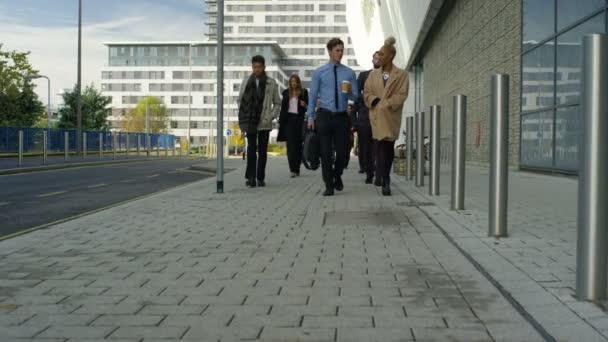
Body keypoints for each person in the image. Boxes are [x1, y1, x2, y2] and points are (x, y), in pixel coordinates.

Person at [308, 38, 358, 196]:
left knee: (343, 152)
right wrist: (310, 117)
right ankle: (328, 185)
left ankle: (337, 175)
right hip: (324, 115)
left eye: (342, 50)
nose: (340, 53)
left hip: (342, 117)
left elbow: (356, 97)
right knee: (325, 152)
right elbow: (313, 95)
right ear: (329, 51)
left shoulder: (349, 72)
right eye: (337, 50)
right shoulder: (319, 73)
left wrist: (350, 91)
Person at [364, 37, 409, 196]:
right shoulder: (373, 75)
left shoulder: (402, 75)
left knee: (387, 146)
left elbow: (402, 94)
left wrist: (387, 103)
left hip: (391, 115)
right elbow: (367, 92)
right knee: (380, 146)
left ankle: (385, 177)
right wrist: (375, 101)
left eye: (382, 54)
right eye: (379, 55)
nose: (379, 57)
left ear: (390, 56)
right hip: (376, 115)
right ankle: (384, 177)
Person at [237, 55, 281, 188]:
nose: (256, 70)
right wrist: (243, 113)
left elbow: (277, 103)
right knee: (251, 150)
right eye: (254, 67)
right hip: (250, 120)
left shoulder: (271, 83)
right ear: (252, 67)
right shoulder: (246, 81)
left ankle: (260, 177)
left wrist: (270, 116)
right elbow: (240, 99)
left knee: (262, 151)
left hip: (264, 122)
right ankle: (251, 178)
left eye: (259, 67)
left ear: (264, 67)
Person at [353, 51, 381, 184]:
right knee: (366, 147)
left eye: (380, 58)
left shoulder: (386, 76)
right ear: (372, 60)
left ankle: (379, 174)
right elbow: (356, 94)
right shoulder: (364, 75)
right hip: (365, 116)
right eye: (375, 58)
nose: (377, 60)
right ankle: (369, 173)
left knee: (379, 146)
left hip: (381, 116)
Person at [278, 74, 308, 177]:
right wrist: (281, 122)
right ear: (290, 83)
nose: (293, 83)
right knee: (290, 146)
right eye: (292, 81)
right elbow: (283, 108)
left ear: (298, 82)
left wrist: (305, 105)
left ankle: (297, 168)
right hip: (289, 121)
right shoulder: (286, 93)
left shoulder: (304, 92)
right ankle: (292, 169)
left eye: (295, 81)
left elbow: (308, 107)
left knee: (298, 146)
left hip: (299, 121)